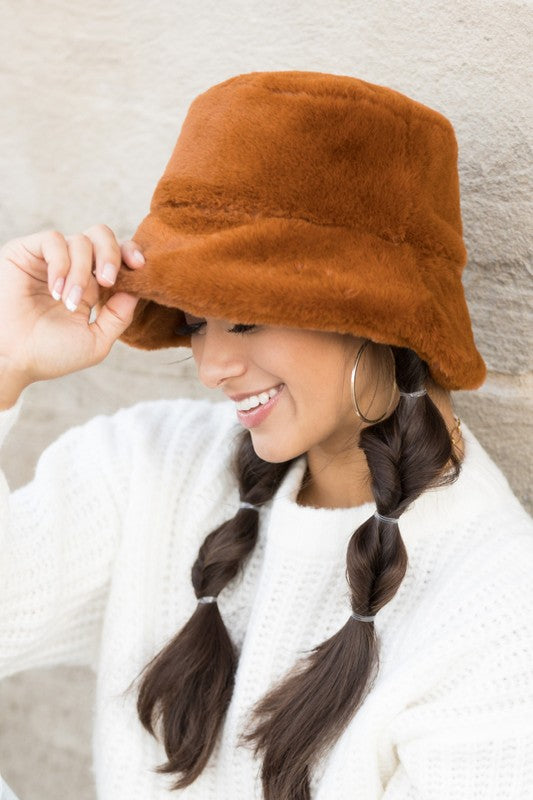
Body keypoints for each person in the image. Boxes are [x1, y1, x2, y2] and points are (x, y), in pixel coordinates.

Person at [0, 70, 532, 800]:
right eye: (193, 319)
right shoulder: (149, 468)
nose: (212, 366)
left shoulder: (495, 608)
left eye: (247, 316)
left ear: (378, 316)